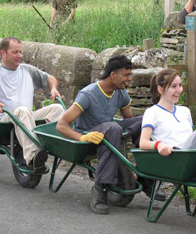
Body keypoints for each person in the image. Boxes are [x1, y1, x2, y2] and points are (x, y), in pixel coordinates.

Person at [56, 55, 143, 215]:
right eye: (126, 75)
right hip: (88, 138)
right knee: (113, 128)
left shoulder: (120, 92)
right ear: (113, 75)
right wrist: (82, 137)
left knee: (145, 120)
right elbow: (61, 125)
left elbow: (130, 120)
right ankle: (100, 188)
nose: (129, 79)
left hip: (108, 132)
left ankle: (145, 176)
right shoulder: (88, 94)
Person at [0, 37, 64, 172]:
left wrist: (53, 88)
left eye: (20, 52)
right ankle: (33, 156)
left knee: (57, 109)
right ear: (3, 53)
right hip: (3, 120)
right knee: (22, 110)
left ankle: (56, 148)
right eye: (15, 52)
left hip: (26, 116)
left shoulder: (27, 70)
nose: (19, 56)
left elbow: (50, 78)